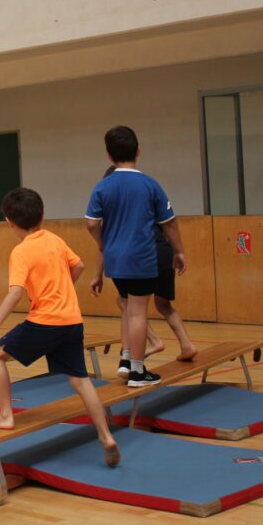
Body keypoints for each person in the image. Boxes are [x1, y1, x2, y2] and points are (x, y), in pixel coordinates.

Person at [0, 188, 119, 467]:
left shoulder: (21, 251)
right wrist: (61, 291)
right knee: (80, 380)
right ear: (43, 216)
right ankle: (105, 435)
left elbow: (15, 292)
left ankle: (5, 415)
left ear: (9, 223)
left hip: (44, 322)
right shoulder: (54, 239)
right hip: (71, 320)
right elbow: (80, 266)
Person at [85, 126, 188, 388]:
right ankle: (138, 373)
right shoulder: (149, 184)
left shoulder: (103, 186)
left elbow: (92, 224)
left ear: (109, 156)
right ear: (138, 151)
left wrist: (103, 243)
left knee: (128, 307)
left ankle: (127, 358)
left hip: (116, 261)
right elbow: (170, 223)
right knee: (138, 313)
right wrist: (179, 251)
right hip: (141, 257)